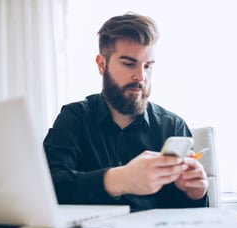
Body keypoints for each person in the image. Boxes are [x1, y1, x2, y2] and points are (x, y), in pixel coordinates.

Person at [43, 13, 209, 211]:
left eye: (148, 66)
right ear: (101, 64)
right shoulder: (74, 118)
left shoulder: (173, 126)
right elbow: (49, 187)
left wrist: (195, 193)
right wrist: (119, 179)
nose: (141, 77)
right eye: (129, 63)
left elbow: (189, 218)